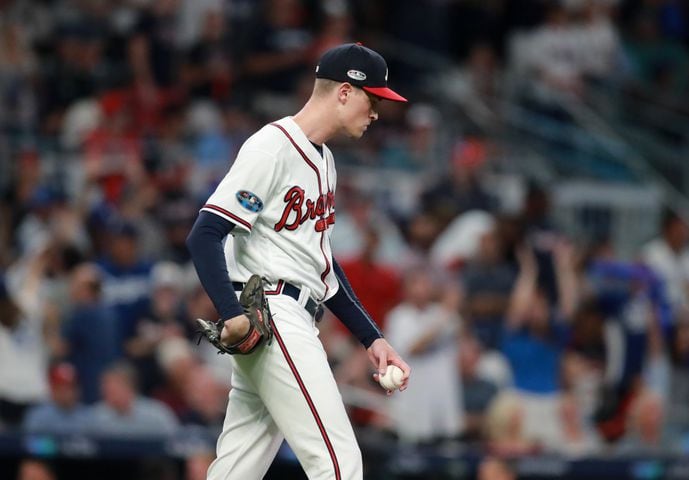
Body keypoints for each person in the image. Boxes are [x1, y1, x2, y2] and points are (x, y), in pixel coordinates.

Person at [186, 42, 411, 479]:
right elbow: (205, 233)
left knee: (236, 471)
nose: (378, 112)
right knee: (339, 465)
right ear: (344, 92)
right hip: (273, 314)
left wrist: (372, 338)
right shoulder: (272, 146)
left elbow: (322, 267)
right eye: (374, 98)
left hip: (293, 315)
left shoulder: (324, 162)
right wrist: (230, 313)